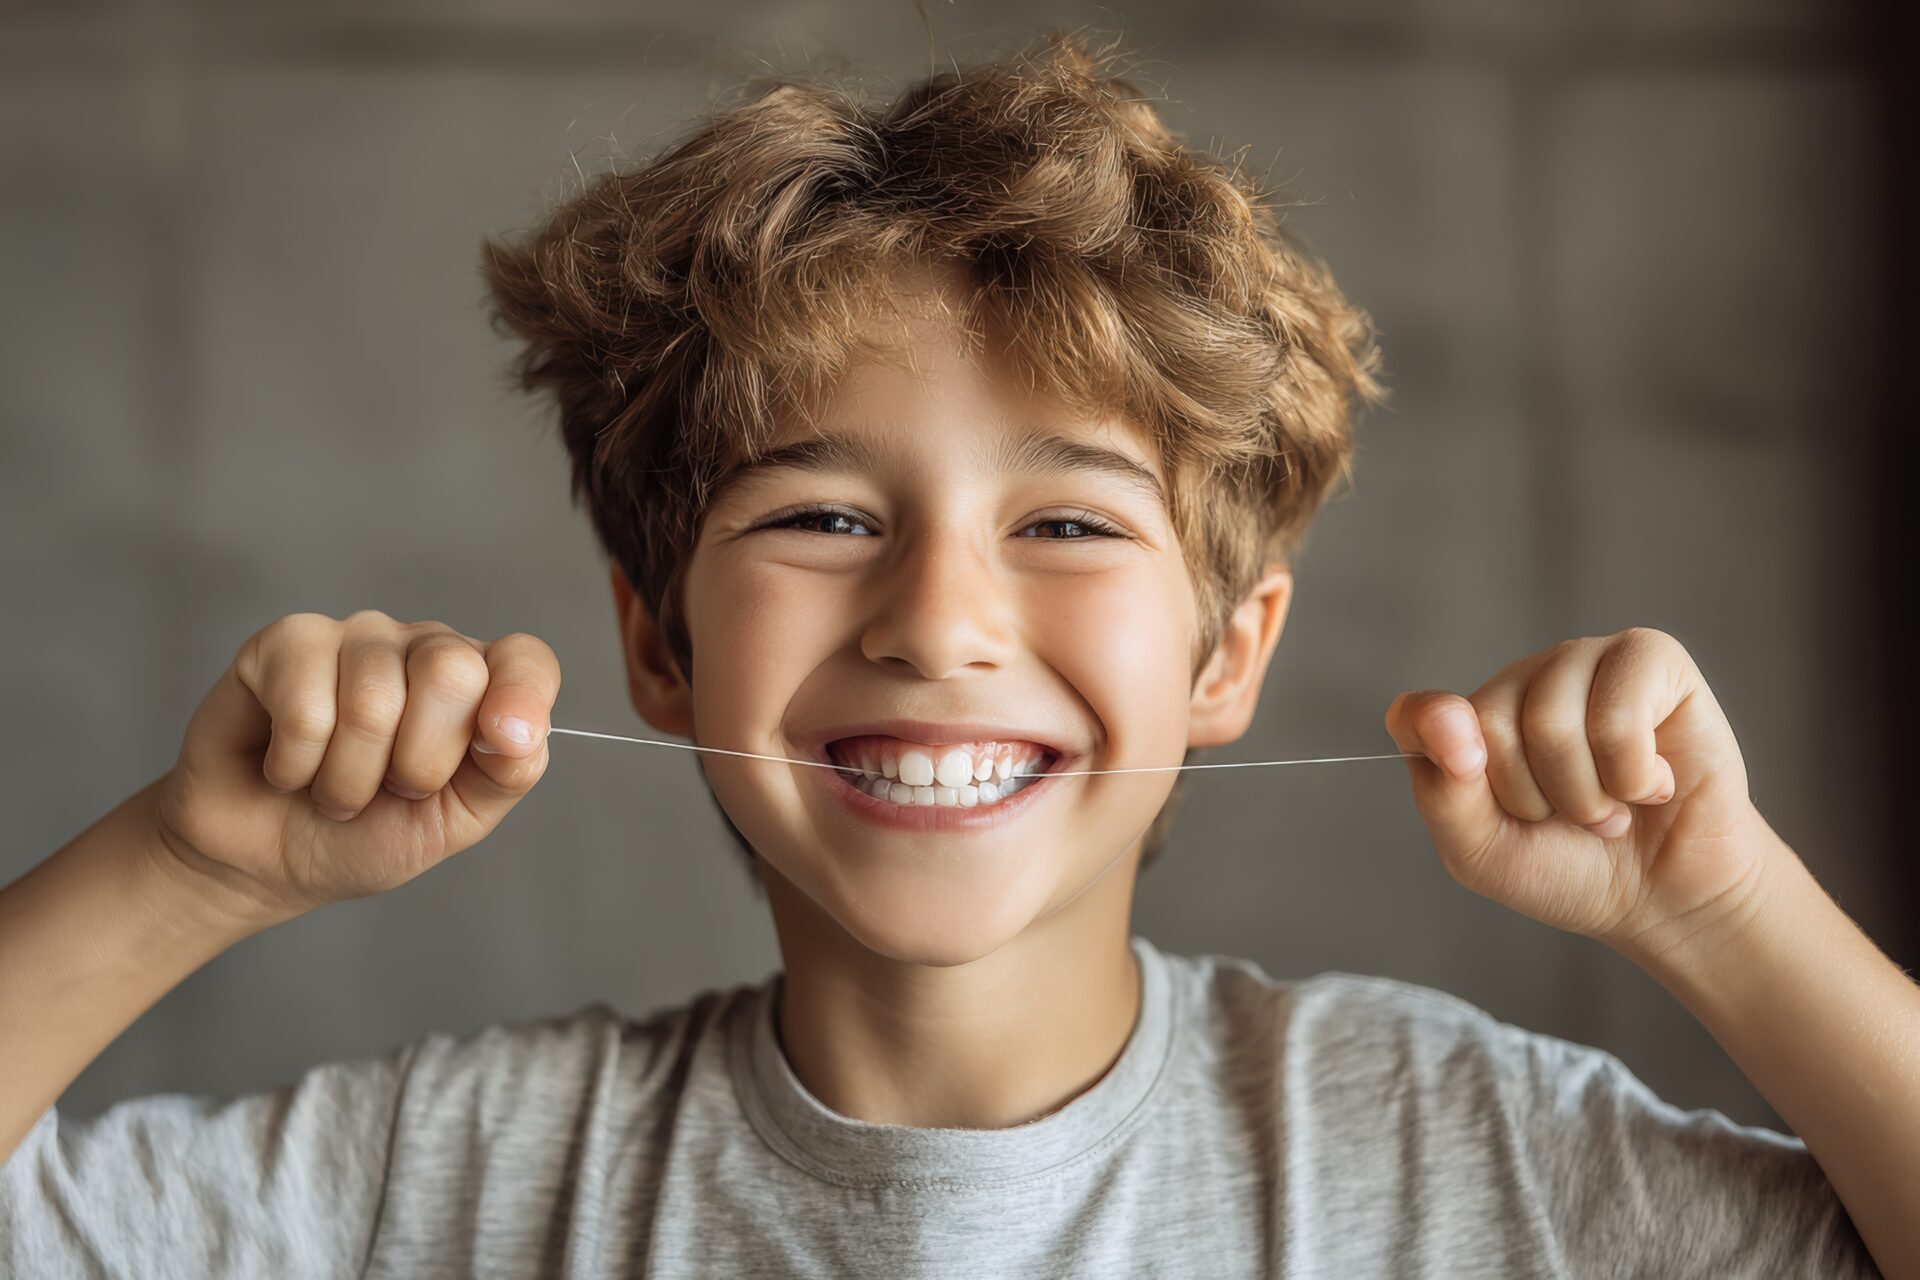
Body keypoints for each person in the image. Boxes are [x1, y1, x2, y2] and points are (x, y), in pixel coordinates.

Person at [1, 29, 1905, 1279]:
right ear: (658, 649)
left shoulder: (1461, 1166)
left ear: (1228, 658)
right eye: (822, 519)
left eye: (1068, 523)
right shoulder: (450, 1187)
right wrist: (186, 870)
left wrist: (1723, 909)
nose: (935, 621)